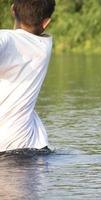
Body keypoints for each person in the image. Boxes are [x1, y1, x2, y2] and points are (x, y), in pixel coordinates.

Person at [0, 0, 56, 153]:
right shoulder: (44, 45)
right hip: (31, 146)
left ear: (12, 10)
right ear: (46, 22)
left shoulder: (6, 38)